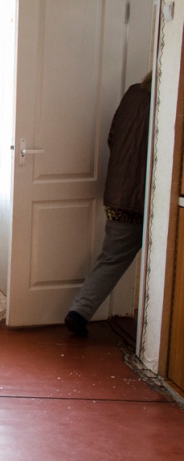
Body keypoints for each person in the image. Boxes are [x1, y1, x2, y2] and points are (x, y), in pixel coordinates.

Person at [65, 72, 152, 337]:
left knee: (112, 258)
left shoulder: (133, 95)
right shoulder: (168, 103)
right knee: (163, 263)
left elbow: (113, 137)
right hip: (146, 197)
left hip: (118, 192)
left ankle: (79, 311)